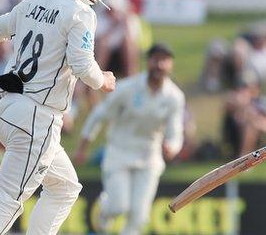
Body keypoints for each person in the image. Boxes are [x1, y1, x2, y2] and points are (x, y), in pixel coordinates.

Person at [0, 0, 117, 234]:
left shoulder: (32, 2)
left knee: (65, 188)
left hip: (8, 111)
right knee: (6, 199)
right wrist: (104, 80)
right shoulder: (81, 13)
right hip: (37, 119)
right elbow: (83, 66)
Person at [74, 43, 184, 235]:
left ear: (171, 65)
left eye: (164, 60)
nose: (159, 65)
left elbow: (176, 133)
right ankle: (104, 208)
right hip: (119, 152)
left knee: (139, 217)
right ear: (148, 61)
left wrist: (172, 148)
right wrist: (83, 146)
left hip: (149, 156)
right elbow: (100, 115)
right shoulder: (128, 88)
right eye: (155, 59)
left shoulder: (174, 97)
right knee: (119, 206)